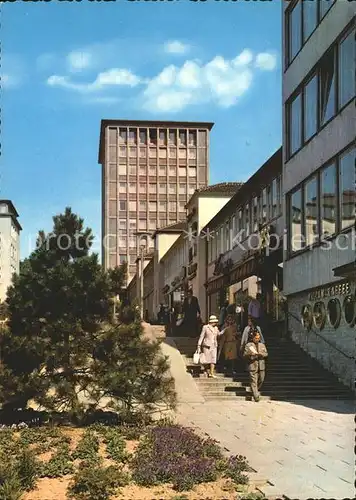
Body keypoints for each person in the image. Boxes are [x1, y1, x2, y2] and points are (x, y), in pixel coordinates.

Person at [243, 329, 268, 402]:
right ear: (253, 338)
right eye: (256, 338)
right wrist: (251, 354)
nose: (258, 339)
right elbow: (244, 355)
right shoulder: (248, 345)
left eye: (258, 338)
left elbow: (266, 354)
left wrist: (262, 355)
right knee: (253, 381)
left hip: (261, 365)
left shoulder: (262, 345)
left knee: (261, 379)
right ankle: (256, 396)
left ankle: (254, 390)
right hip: (252, 365)